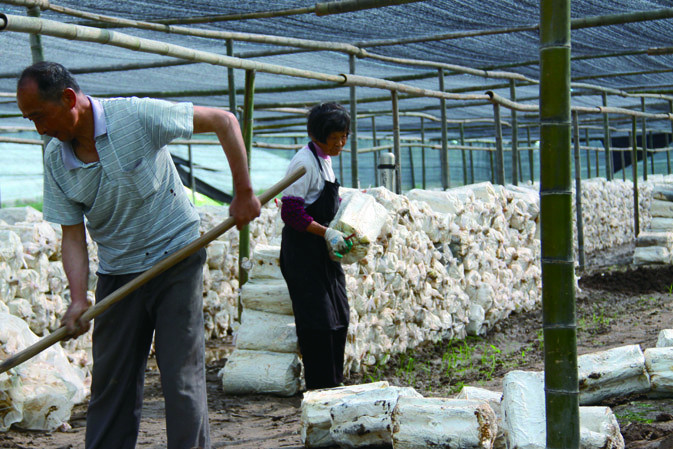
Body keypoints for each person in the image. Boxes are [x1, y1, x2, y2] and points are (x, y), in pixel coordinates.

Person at [16, 61, 261, 449]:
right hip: (118, 271)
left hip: (176, 256)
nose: (40, 129)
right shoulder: (54, 158)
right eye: (30, 119)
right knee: (111, 380)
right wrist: (79, 298)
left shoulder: (134, 115)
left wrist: (244, 192)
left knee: (180, 378)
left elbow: (225, 121)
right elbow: (73, 236)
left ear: (68, 99)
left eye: (41, 116)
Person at [279, 102, 351, 390]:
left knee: (340, 315)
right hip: (303, 254)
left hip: (325, 252)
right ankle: (320, 388)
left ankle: (335, 382)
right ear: (318, 136)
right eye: (335, 139)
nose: (341, 144)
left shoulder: (326, 159)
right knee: (318, 321)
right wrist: (326, 233)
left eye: (344, 136)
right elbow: (292, 213)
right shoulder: (303, 163)